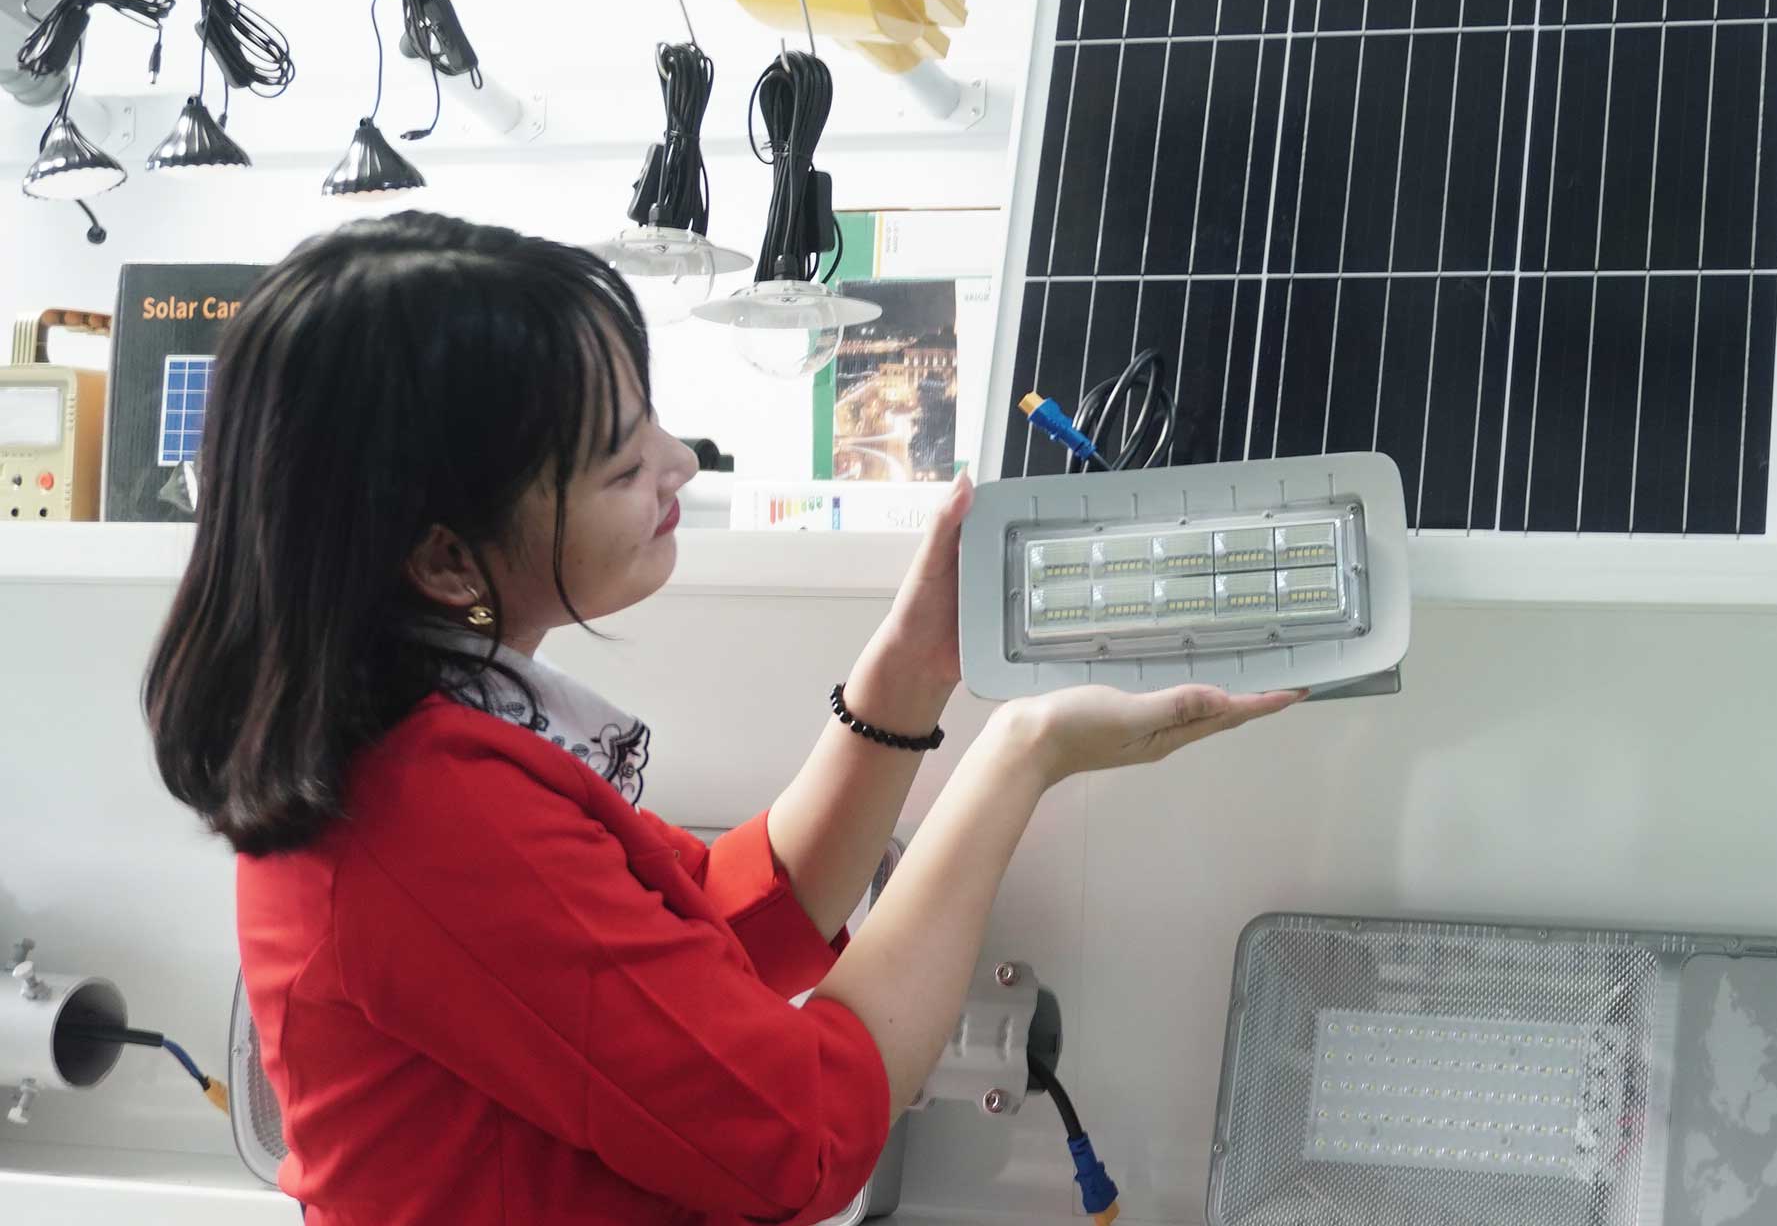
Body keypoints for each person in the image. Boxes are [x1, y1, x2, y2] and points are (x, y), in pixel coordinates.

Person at [144, 212, 1295, 1225]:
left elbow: (722, 921)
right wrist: (1018, 757)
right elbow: (803, 1134)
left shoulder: (416, 749)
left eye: (651, 421)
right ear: (446, 557)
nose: (680, 462)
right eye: (619, 463)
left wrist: (912, 665)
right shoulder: (428, 811)